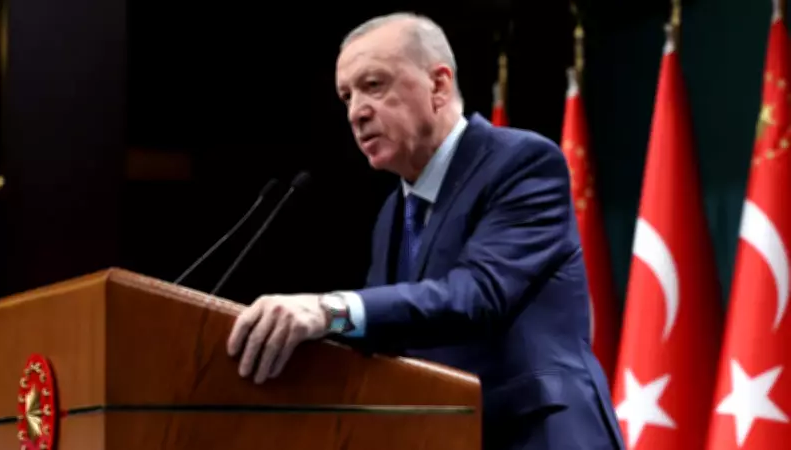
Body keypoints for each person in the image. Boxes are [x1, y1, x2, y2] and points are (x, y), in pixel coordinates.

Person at [227, 12, 624, 450]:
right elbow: (388, 333)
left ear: (438, 85)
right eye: (346, 96)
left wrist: (328, 310)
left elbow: (477, 294)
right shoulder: (392, 215)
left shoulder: (523, 164)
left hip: (538, 435)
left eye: (374, 85)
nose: (356, 112)